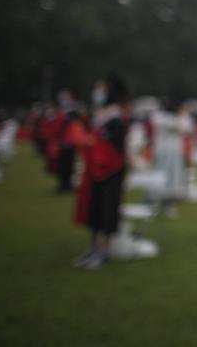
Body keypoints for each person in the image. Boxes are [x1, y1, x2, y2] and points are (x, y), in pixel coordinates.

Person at [73, 75, 129, 270]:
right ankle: (94, 247)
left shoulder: (115, 118)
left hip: (109, 171)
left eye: (101, 89)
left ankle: (103, 251)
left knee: (106, 210)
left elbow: (115, 149)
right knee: (93, 210)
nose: (97, 93)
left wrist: (93, 144)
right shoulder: (99, 116)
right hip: (95, 170)